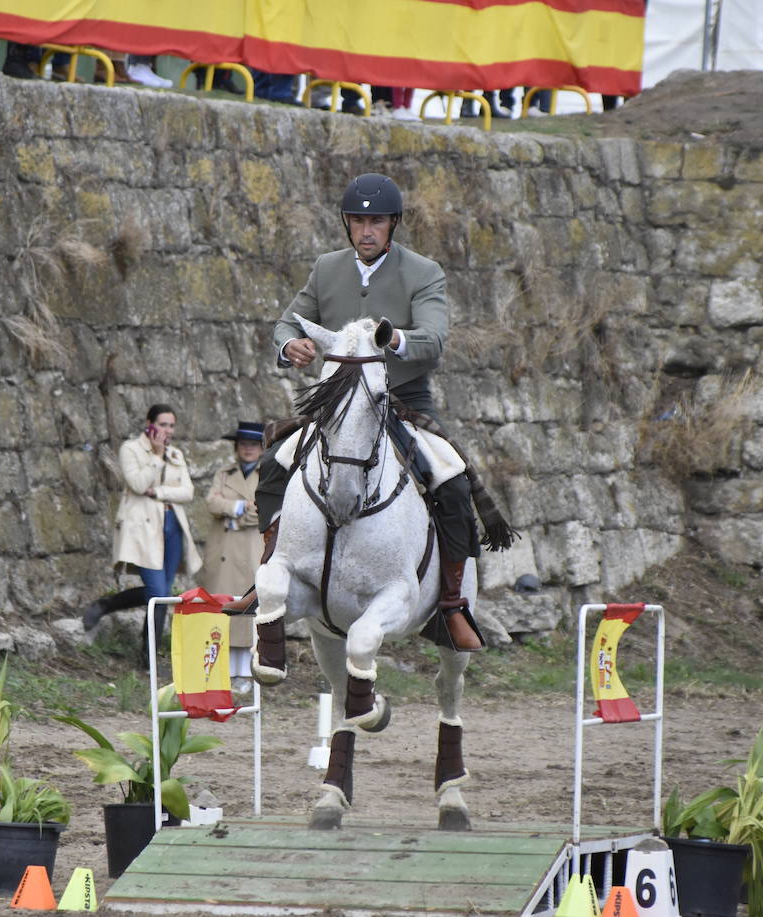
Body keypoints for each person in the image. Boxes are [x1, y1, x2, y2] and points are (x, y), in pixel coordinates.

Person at [237, 173, 510, 658]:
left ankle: (450, 603)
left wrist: (394, 339)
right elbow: (288, 319)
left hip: (402, 401)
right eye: (358, 221)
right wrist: (289, 344)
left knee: (452, 481)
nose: (367, 230)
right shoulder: (327, 268)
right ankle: (270, 570)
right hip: (338, 403)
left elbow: (435, 339)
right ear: (346, 224)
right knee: (276, 463)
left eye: (376, 221)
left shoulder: (424, 272)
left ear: (393, 225)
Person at [108, 404, 202, 665]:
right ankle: (146, 656)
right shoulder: (131, 449)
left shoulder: (176, 454)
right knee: (158, 592)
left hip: (172, 524)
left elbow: (188, 492)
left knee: (163, 594)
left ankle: (146, 654)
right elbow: (137, 484)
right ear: (149, 423)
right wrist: (155, 456)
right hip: (143, 529)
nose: (167, 431)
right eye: (162, 424)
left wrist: (159, 492)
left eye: (171, 426)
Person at [201, 421, 266, 690]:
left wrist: (235, 515)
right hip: (223, 551)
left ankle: (245, 673)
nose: (247, 449)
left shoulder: (268, 473)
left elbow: (262, 509)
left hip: (251, 550)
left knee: (247, 613)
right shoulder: (224, 473)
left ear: (262, 448)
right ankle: (221, 671)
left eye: (253, 444)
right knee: (221, 610)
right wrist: (239, 506)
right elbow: (212, 502)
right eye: (243, 444)